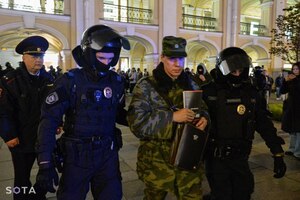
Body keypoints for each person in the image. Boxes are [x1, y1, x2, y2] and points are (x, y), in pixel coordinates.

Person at [35, 24, 130, 200]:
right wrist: (45, 163)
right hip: (77, 156)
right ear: (89, 54)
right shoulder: (70, 81)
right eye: (102, 58)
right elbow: (48, 122)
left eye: (111, 59)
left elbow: (118, 113)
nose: (106, 63)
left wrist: (142, 119)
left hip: (108, 154)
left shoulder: (116, 81)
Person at [127, 36, 209, 199]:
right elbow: (137, 124)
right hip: (157, 164)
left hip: (188, 158)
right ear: (162, 57)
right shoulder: (146, 86)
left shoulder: (191, 84)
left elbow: (203, 108)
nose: (178, 64)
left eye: (181, 58)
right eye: (172, 58)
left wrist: (204, 118)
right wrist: (172, 117)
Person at [202, 47, 286, 200]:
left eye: (241, 71)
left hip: (240, 157)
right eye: (233, 71)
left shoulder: (250, 92)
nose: (237, 75)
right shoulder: (208, 91)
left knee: (244, 192)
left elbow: (263, 123)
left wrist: (277, 152)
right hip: (216, 159)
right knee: (222, 195)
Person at [0, 36, 54, 200]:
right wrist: (9, 135)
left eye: (41, 56)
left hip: (43, 138)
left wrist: (58, 123)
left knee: (46, 174)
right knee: (22, 179)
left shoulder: (48, 79)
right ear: (24, 57)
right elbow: (3, 111)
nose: (38, 60)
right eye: (34, 56)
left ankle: (38, 197)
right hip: (21, 139)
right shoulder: (10, 81)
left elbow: (53, 106)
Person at [280, 62, 300, 159]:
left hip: (299, 108)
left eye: (297, 69)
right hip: (291, 107)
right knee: (293, 129)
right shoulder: (291, 80)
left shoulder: (296, 80)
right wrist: (285, 81)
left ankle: (298, 151)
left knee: (299, 130)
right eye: (294, 69)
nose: (295, 71)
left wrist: (295, 80)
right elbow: (283, 91)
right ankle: (292, 149)